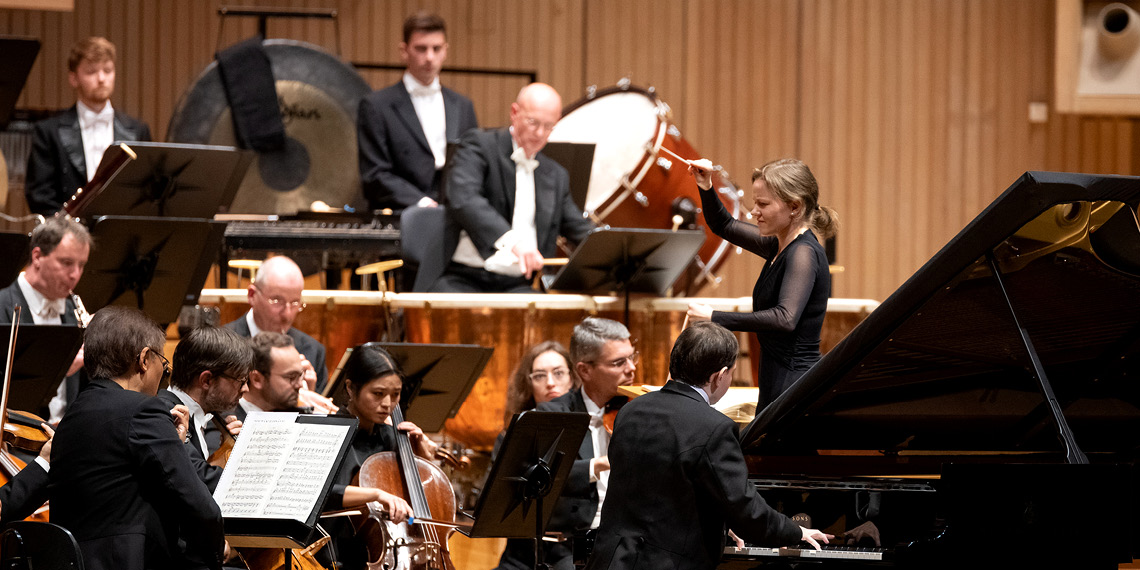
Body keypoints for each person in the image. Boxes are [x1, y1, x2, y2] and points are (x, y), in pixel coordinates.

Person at [584, 322, 831, 570]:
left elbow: (661, 492)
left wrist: (720, 523)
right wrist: (794, 531)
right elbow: (746, 510)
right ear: (719, 376)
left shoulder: (630, 411)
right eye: (731, 373)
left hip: (610, 560)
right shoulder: (714, 427)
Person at [48, 306, 224, 570]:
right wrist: (217, 554)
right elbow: (198, 504)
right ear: (143, 360)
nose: (162, 377)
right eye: (163, 365)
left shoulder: (73, 415)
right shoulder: (144, 410)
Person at [687, 158, 837, 408]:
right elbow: (723, 225)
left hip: (794, 381)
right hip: (777, 376)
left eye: (762, 204)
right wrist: (706, 185)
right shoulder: (779, 244)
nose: (754, 211)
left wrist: (715, 316)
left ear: (794, 207)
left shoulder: (803, 253)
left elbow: (785, 318)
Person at [432, 82, 594, 293]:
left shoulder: (555, 175)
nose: (539, 133)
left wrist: (614, 245)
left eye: (548, 126)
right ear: (514, 112)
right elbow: (464, 198)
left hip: (518, 284)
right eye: (533, 122)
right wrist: (513, 241)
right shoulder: (479, 145)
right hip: (463, 277)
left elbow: (577, 226)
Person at [532, 317, 636, 569]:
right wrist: (598, 464)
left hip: (630, 542)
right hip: (571, 547)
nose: (631, 368)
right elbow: (542, 475)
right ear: (584, 370)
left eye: (633, 357)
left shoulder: (637, 412)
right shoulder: (554, 415)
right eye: (618, 362)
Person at [321, 344, 433, 570]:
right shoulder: (327, 432)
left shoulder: (391, 437)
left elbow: (415, 509)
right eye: (378, 394)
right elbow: (322, 492)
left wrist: (422, 459)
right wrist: (376, 494)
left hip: (386, 553)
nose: (388, 404)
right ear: (351, 389)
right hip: (334, 556)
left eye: (396, 394)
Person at [357, 12, 478, 211]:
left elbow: (473, 165)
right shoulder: (376, 106)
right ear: (404, 50)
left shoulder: (463, 106)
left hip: (454, 216)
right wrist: (420, 202)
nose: (430, 57)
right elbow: (374, 175)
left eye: (436, 48)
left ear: (445, 51)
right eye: (421, 49)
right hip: (401, 215)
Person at [25, 36, 151, 216]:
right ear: (74, 78)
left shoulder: (138, 130)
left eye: (107, 70)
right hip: (68, 236)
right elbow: (40, 198)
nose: (101, 79)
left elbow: (146, 190)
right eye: (91, 72)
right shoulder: (48, 132)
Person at [493, 340, 578, 570]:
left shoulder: (589, 432)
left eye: (558, 373)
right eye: (540, 376)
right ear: (528, 383)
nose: (550, 383)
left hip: (570, 554)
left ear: (573, 377)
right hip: (520, 556)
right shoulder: (509, 436)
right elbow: (496, 502)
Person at [0, 216, 92, 424]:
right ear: (37, 256)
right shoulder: (2, 305)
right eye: (67, 263)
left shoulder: (72, 311)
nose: (75, 275)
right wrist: (59, 368)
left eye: (81, 265)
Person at [156, 325, 254, 491]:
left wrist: (227, 450)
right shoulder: (166, 414)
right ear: (207, 380)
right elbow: (200, 480)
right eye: (241, 381)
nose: (246, 389)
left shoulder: (204, 413)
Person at [224, 255, 328, 392]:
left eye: (295, 302)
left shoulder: (313, 351)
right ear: (252, 295)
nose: (287, 314)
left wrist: (308, 399)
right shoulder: (223, 347)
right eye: (277, 301)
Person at [235, 331, 308, 419]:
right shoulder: (228, 422)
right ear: (256, 379)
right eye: (291, 377)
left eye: (300, 375)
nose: (299, 385)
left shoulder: (296, 413)